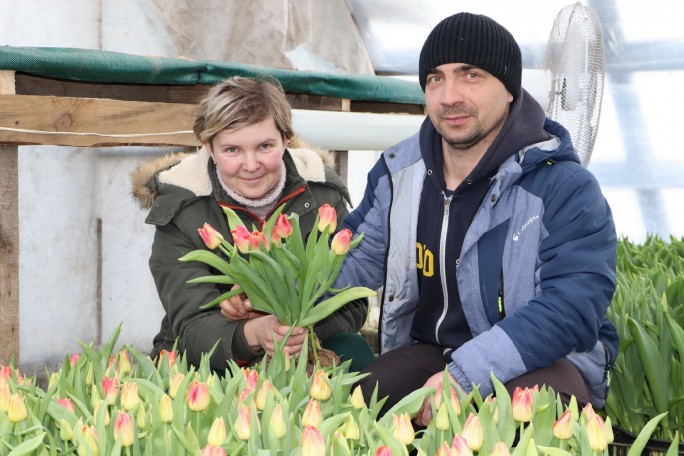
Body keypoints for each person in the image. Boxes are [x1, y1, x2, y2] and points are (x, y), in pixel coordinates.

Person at [332, 12, 619, 424]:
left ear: (508, 90)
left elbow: (571, 307)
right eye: (435, 78)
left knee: (528, 416)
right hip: (432, 349)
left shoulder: (564, 187)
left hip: (542, 360)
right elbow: (354, 259)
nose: (449, 96)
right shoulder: (400, 174)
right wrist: (272, 296)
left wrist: (465, 376)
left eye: (470, 75)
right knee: (359, 403)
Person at [132, 76, 374, 372]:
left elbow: (353, 299)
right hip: (212, 357)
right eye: (232, 150)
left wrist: (292, 323)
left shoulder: (322, 193)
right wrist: (254, 332)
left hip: (309, 345)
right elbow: (190, 326)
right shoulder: (182, 209)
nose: (250, 165)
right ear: (209, 147)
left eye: (264, 146)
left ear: (286, 138)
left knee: (357, 354)